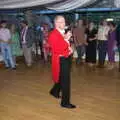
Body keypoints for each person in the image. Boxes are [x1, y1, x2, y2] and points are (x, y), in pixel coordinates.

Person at [48, 16, 76, 109]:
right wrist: (66, 39)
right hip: (61, 60)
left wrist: (70, 49)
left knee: (60, 77)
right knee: (66, 81)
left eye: (63, 21)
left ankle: (54, 92)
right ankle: (65, 103)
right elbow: (57, 49)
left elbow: (65, 45)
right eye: (60, 22)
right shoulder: (53, 34)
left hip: (66, 57)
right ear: (55, 23)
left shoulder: (61, 32)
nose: (63, 23)